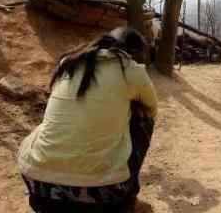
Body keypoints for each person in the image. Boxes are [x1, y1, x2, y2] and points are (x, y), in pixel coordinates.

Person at [17, 27, 158, 212]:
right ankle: (129, 197)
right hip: (102, 193)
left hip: (38, 182)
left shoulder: (70, 62)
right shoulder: (130, 70)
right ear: (135, 53)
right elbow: (151, 110)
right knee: (143, 118)